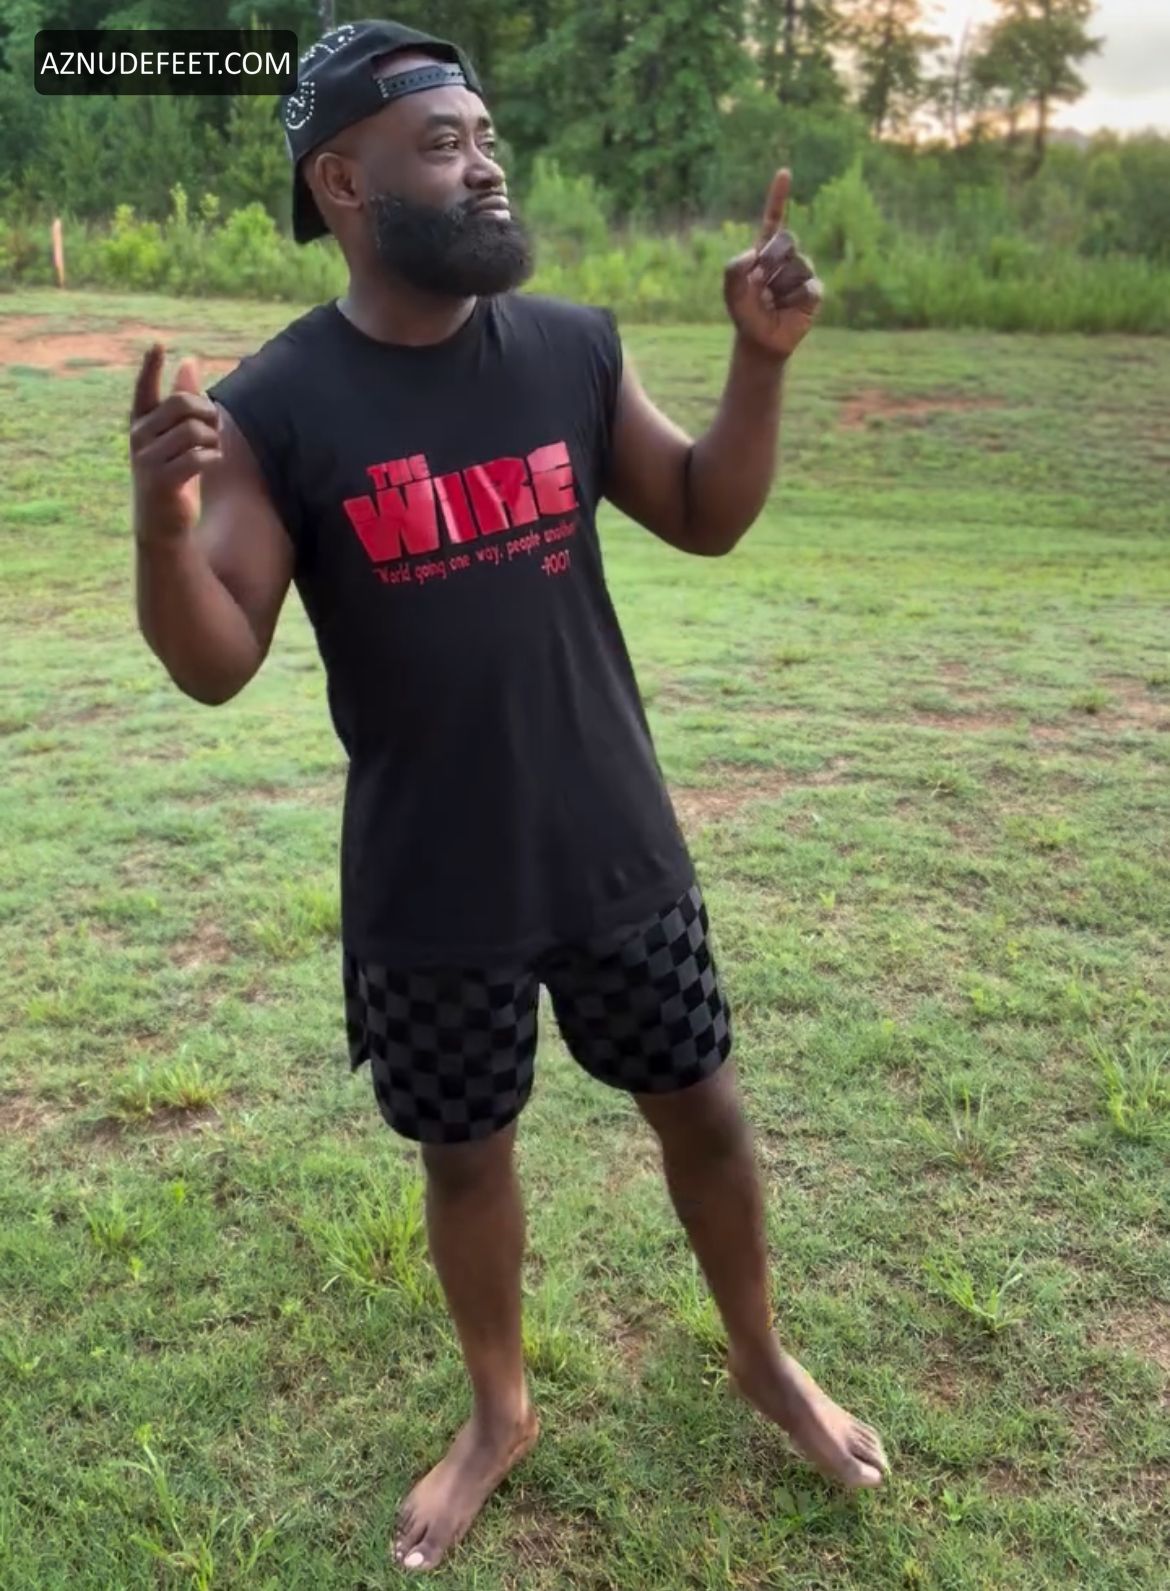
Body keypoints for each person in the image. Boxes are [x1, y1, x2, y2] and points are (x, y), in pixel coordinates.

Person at [129, 18, 888, 1575]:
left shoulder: (567, 349)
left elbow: (701, 510)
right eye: (442, 141)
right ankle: (499, 1408)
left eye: (484, 134)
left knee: (704, 1110)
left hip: (613, 841)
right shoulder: (279, 407)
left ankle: (760, 1358)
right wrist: (160, 525)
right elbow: (215, 660)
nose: (484, 162)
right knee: (465, 1156)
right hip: (432, 878)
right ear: (342, 182)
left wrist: (757, 364)